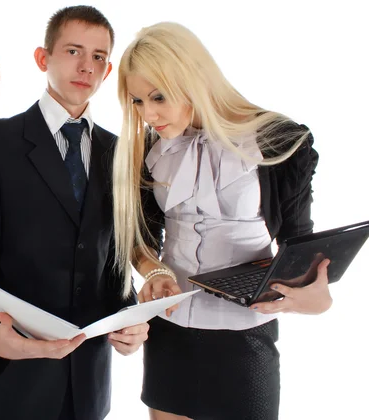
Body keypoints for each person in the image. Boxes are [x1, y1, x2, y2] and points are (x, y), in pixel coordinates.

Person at [112, 22, 333, 420]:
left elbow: (299, 248)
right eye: (138, 101)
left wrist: (313, 294)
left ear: (190, 77)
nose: (148, 113)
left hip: (245, 337)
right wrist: (155, 271)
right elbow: (141, 238)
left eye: (158, 96)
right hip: (170, 330)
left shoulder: (279, 141)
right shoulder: (151, 148)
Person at [0, 6, 149, 420]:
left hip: (89, 380)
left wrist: (131, 317)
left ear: (108, 70)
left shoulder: (120, 152)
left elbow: (111, 257)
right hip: (15, 374)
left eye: (98, 57)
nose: (86, 66)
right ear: (44, 59)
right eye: (74, 51)